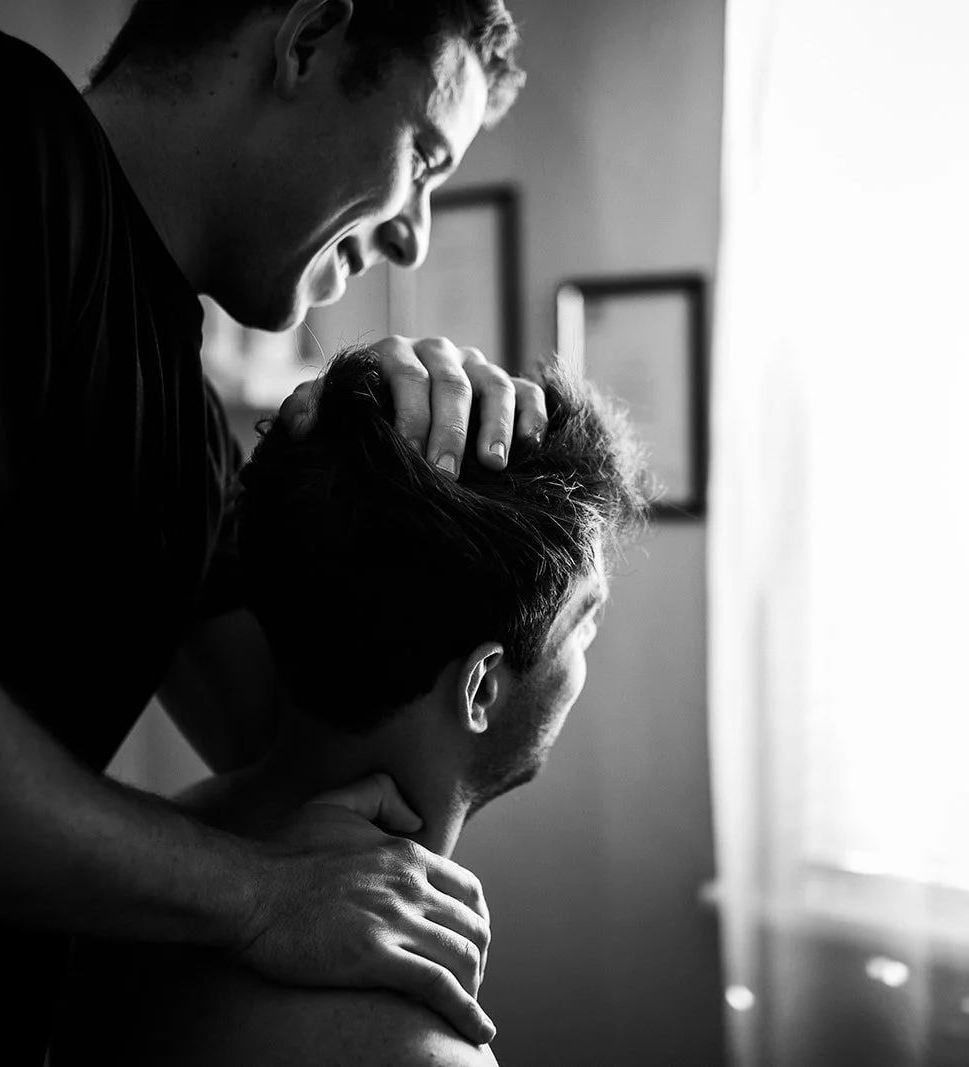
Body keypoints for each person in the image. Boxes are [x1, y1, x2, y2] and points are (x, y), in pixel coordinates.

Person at [0, 1, 538, 1061]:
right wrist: (257, 892)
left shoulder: (183, 413)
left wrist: (370, 449)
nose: (414, 235)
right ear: (306, 40)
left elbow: (310, 734)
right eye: (423, 158)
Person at [49, 345, 650, 1065]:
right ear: (482, 687)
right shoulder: (420, 1051)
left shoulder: (108, 893)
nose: (589, 640)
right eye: (583, 620)